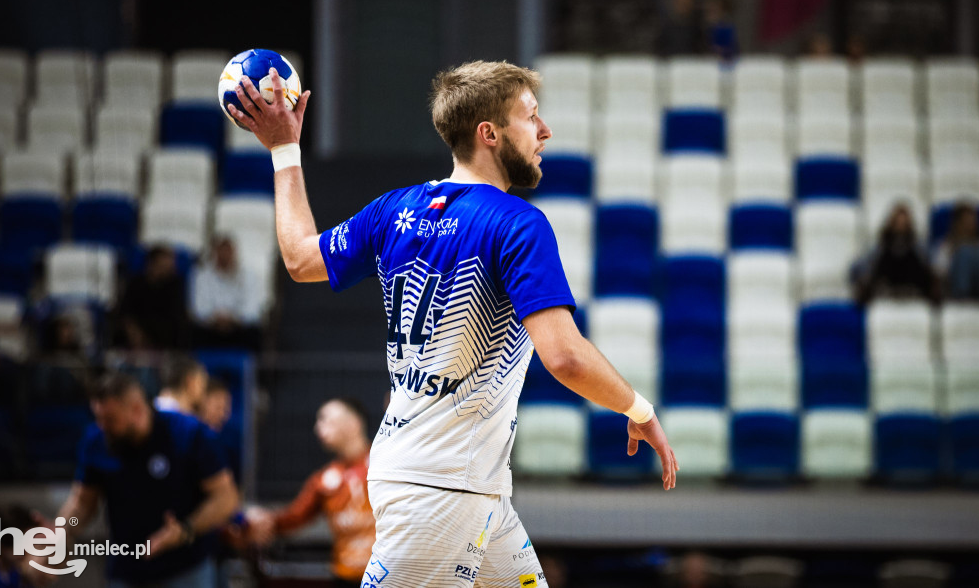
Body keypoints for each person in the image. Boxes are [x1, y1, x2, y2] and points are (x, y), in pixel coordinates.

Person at [227, 59, 677, 588]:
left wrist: (284, 151)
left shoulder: (394, 209)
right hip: (441, 493)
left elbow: (302, 259)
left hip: (467, 488)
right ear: (490, 134)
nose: (546, 131)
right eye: (531, 117)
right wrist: (637, 408)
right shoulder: (517, 223)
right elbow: (565, 356)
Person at [47, 372, 239, 588]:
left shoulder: (187, 434)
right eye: (98, 418)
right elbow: (82, 503)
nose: (103, 427)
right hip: (126, 569)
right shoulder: (97, 441)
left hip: (185, 569)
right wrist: (60, 533)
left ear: (137, 409)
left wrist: (186, 530)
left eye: (110, 419)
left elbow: (226, 498)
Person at [245, 398, 375, 587]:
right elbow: (295, 516)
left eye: (326, 420)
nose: (318, 428)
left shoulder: (386, 466)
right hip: (346, 577)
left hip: (388, 575)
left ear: (354, 423)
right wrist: (264, 521)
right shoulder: (324, 480)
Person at [853, 203, 937, 305]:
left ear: (909, 224)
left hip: (913, 285)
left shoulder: (918, 246)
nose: (900, 226)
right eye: (898, 222)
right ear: (892, 223)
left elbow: (930, 266)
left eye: (903, 223)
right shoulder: (881, 246)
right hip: (885, 285)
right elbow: (859, 267)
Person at [190, 237, 264, 350]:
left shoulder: (249, 275)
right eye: (221, 251)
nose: (225, 256)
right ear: (214, 253)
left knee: (254, 333)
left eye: (228, 251)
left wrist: (233, 319)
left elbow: (252, 310)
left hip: (238, 329)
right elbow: (198, 309)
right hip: (211, 329)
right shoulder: (201, 275)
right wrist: (216, 319)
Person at [118, 246, 189, 350]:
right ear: (153, 263)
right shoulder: (135, 284)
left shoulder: (175, 285)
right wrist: (134, 333)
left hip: (165, 341)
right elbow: (125, 313)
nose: (171, 267)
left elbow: (178, 320)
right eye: (164, 265)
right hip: (137, 336)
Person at [932, 202, 979, 303]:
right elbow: (939, 270)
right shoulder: (948, 245)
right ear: (958, 223)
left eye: (973, 221)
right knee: (965, 252)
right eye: (966, 221)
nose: (970, 224)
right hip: (958, 289)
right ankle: (964, 294)